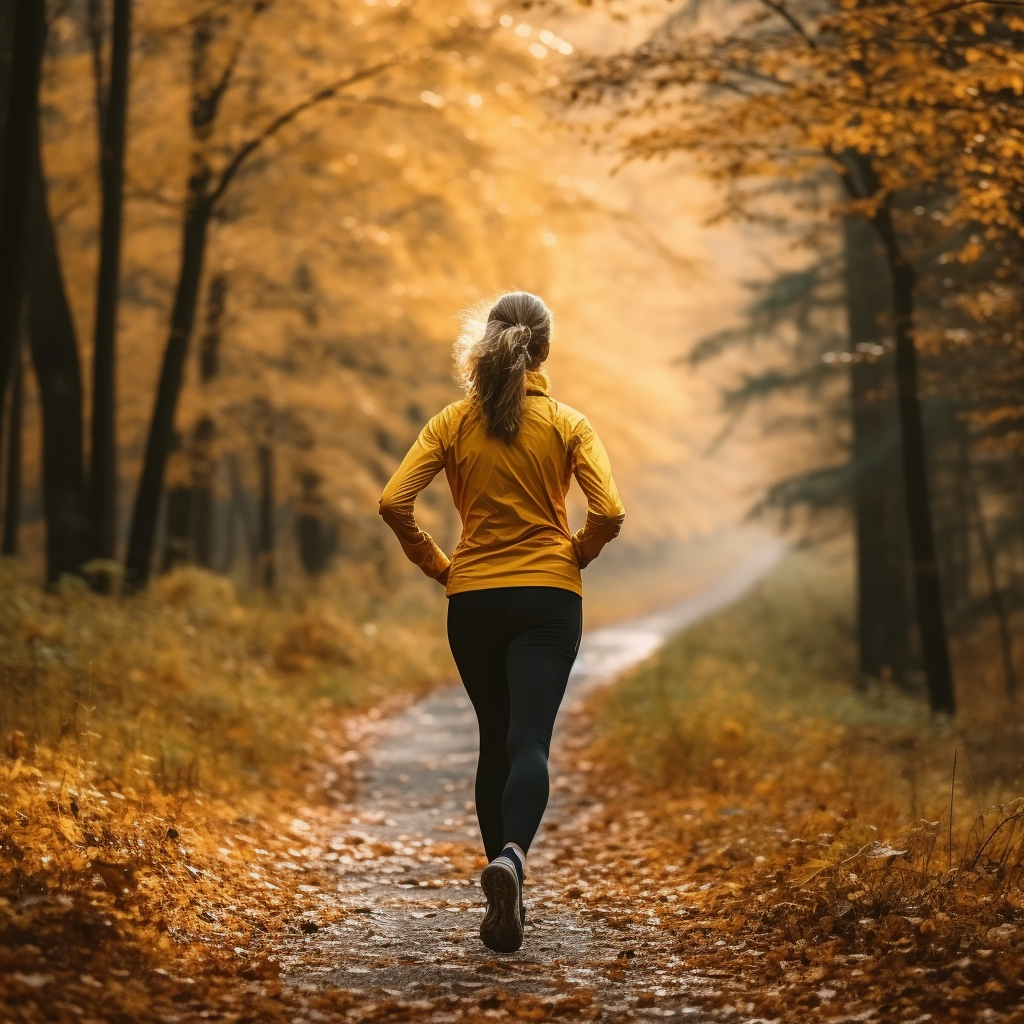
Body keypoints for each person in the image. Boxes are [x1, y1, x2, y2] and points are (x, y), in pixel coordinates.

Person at [378, 291, 625, 954]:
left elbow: (394, 501)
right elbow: (609, 513)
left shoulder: (451, 424)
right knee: (529, 743)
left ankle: (506, 890)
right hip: (548, 597)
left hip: (475, 598)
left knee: (494, 739)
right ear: (543, 349)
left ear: (488, 343)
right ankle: (512, 861)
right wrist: (572, 554)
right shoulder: (571, 424)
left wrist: (440, 566)